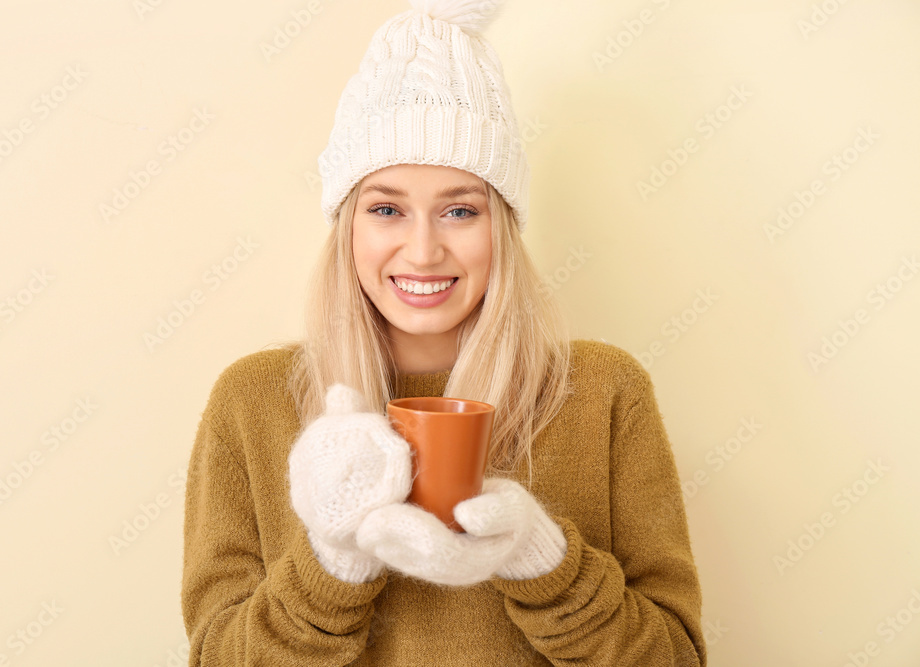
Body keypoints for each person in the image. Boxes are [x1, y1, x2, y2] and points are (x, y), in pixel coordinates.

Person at [181, 0, 707, 664]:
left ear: (503, 229)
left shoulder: (604, 391)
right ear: (349, 226)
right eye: (386, 209)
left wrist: (544, 560)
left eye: (460, 209)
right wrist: (331, 563)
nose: (423, 250)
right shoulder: (251, 401)